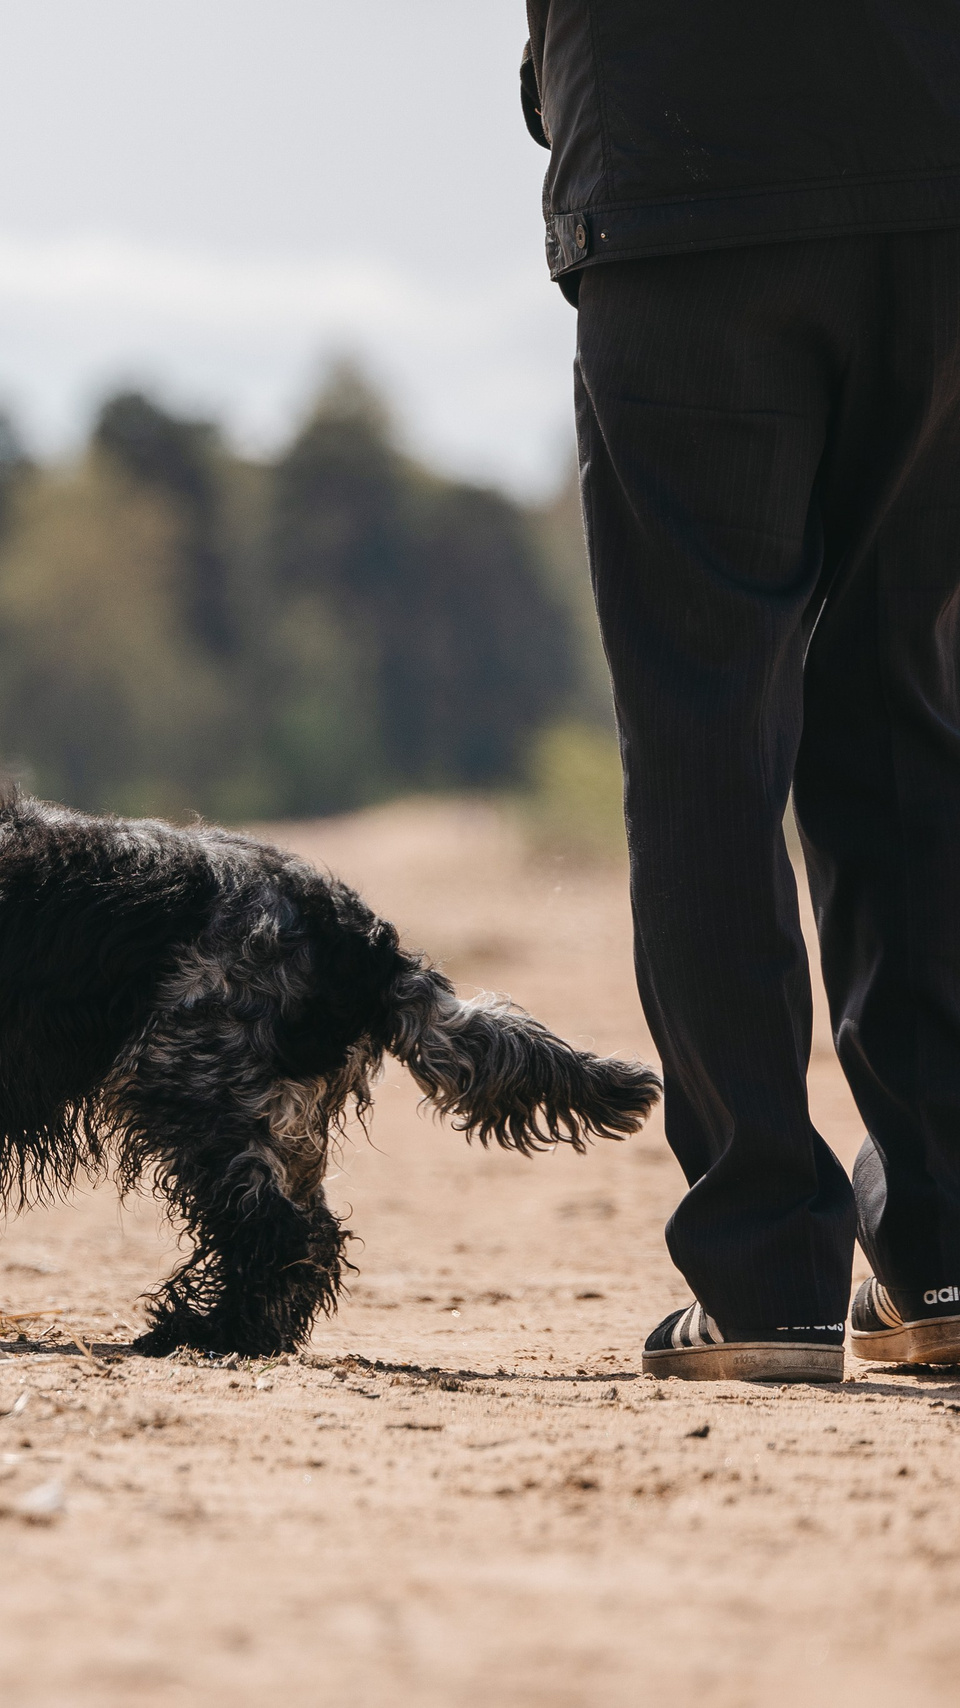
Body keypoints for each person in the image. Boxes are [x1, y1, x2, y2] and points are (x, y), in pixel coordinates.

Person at [524, 4, 960, 1382]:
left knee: (706, 716)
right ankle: (948, 1252)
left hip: (684, 165)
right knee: (906, 702)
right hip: (934, 162)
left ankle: (768, 1268)